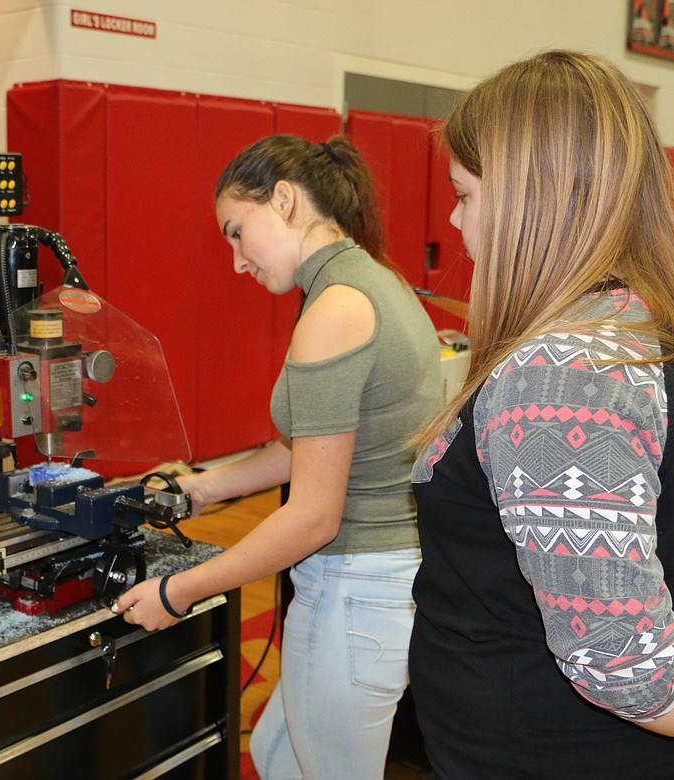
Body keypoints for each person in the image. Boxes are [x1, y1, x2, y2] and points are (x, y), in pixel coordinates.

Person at [409, 49, 674, 779]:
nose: (454, 219)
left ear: (528, 199)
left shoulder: (561, 373)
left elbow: (629, 674)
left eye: (464, 193)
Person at [110, 133, 443, 778]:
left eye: (237, 232)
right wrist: (202, 487)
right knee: (275, 753)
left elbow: (314, 516)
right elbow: (306, 451)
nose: (236, 260)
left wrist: (178, 593)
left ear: (284, 199)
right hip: (382, 587)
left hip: (352, 595)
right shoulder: (376, 283)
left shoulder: (336, 310)